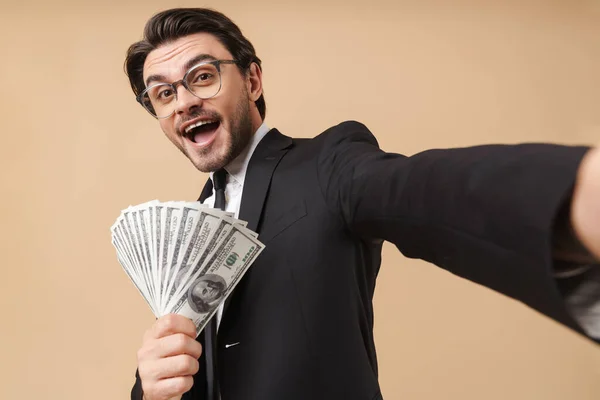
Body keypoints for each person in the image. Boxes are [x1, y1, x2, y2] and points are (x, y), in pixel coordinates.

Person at [124, 8, 600, 400]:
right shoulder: (189, 229)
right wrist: (150, 387)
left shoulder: (328, 162)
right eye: (163, 93)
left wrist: (569, 193)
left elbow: (414, 192)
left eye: (201, 77)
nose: (183, 102)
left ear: (252, 81)